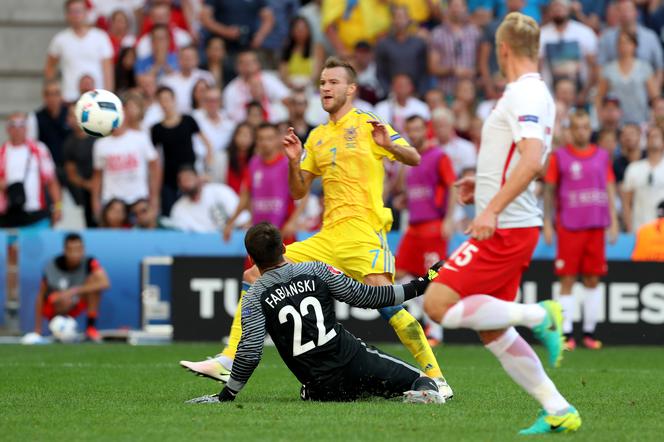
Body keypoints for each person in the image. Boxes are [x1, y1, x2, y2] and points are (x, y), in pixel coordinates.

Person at [181, 57, 453, 400]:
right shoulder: (318, 137)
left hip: (363, 232)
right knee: (255, 274)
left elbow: (413, 157)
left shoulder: (369, 123)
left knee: (386, 304)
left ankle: (436, 377)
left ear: (350, 88)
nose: (325, 87)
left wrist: (388, 145)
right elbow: (298, 192)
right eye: (322, 82)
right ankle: (229, 358)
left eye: (333, 82)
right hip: (327, 236)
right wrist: (295, 162)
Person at [422, 12, 581, 434]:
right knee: (492, 332)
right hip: (511, 220)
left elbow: (532, 161)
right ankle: (557, 408)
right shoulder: (529, 93)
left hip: (506, 226)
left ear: (502, 49)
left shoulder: (525, 94)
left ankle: (540, 315)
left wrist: (492, 208)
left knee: (436, 304)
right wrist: (485, 184)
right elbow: (522, 157)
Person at [185, 222, 445, 404]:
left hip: (320, 385)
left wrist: (226, 396)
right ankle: (420, 394)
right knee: (423, 381)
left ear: (251, 259)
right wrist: (425, 281)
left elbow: (250, 353)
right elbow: (371, 297)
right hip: (355, 361)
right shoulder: (317, 270)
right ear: (285, 248)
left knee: (313, 391)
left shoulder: (254, 296)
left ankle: (333, 392)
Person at [543, 110, 619, 351]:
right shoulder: (560, 157)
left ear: (590, 129)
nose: (581, 131)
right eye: (577, 127)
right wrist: (547, 222)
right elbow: (549, 191)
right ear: (570, 130)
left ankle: (589, 332)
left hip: (596, 225)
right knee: (567, 279)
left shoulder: (601, 156)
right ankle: (567, 335)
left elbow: (609, 188)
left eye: (586, 126)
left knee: (592, 279)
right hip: (569, 225)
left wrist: (614, 221)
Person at [395, 115, 457, 346]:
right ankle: (426, 317)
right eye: (410, 130)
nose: (414, 133)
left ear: (426, 130)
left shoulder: (439, 156)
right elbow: (405, 190)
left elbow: (452, 185)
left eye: (418, 129)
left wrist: (449, 219)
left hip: (432, 227)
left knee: (432, 275)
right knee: (400, 271)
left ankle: (436, 331)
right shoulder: (409, 160)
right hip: (413, 228)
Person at [21, 233, 110, 344]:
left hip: (76, 300)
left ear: (83, 249)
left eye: (78, 249)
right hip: (56, 305)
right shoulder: (51, 265)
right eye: (71, 250)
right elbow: (41, 295)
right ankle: (55, 329)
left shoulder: (90, 262)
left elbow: (105, 283)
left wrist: (73, 291)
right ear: (65, 250)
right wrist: (37, 330)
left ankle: (90, 329)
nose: (75, 254)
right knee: (59, 298)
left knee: (93, 283)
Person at [223, 123, 303, 243]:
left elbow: (304, 194)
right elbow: (245, 195)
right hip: (259, 233)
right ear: (256, 141)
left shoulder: (287, 164)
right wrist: (231, 222)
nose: (265, 143)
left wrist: (293, 222)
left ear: (277, 140)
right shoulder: (253, 164)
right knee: (253, 262)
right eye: (261, 139)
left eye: (269, 138)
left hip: (283, 232)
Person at [91, 97, 161, 221]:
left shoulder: (140, 138)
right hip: (112, 199)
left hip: (139, 197)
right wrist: (95, 201)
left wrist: (154, 197)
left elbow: (155, 167)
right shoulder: (100, 144)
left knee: (146, 219)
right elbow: (97, 175)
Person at [151, 85, 213, 215]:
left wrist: (206, 171)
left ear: (174, 100)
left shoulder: (188, 120)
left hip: (191, 175)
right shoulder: (156, 129)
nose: (165, 103)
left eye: (167, 99)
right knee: (170, 213)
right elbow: (155, 159)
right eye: (161, 100)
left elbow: (207, 144)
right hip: (169, 179)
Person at [0, 112, 62, 229]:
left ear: (27, 127)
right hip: (8, 214)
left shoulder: (39, 150)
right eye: (13, 124)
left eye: (21, 124)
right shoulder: (2, 153)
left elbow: (52, 181)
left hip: (36, 213)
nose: (17, 128)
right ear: (7, 129)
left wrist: (58, 207)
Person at [44, 0, 114, 103]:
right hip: (69, 99)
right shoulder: (60, 39)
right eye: (71, 11)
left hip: (97, 99)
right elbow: (49, 67)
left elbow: (108, 71)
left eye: (78, 11)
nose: (75, 15)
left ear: (86, 12)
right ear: (66, 14)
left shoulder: (101, 37)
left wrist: (108, 96)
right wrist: (56, 92)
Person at [538, 0, 597, 107]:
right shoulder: (542, 34)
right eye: (554, 8)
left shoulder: (584, 32)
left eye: (561, 7)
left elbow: (593, 66)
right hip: (550, 97)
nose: (558, 11)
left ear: (568, 9)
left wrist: (584, 93)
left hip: (580, 95)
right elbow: (537, 67)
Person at [596, 29, 659, 126]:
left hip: (640, 120)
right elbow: (600, 96)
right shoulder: (608, 69)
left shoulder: (644, 67)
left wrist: (654, 118)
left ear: (634, 45)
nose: (624, 46)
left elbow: (654, 97)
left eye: (627, 42)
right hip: (615, 122)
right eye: (620, 43)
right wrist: (601, 116)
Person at [597, 0, 663, 86]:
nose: (625, 13)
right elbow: (600, 67)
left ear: (636, 12)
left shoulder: (650, 36)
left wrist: (654, 94)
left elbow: (660, 67)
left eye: (628, 9)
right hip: (615, 92)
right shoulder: (606, 38)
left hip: (646, 92)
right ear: (617, 13)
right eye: (621, 10)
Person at [170, 165, 249, 233]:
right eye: (183, 180)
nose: (187, 183)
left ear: (198, 177)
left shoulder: (220, 191)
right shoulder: (178, 208)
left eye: (189, 178)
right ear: (179, 185)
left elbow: (243, 221)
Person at [428, 0, 481, 99]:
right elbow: (432, 67)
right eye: (453, 6)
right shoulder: (438, 33)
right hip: (446, 92)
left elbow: (481, 62)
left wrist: (473, 71)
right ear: (447, 9)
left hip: (470, 92)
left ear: (465, 9)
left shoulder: (474, 32)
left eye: (459, 6)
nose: (456, 10)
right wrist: (452, 70)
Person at [375, 5, 429, 97]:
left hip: (415, 94)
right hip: (391, 95)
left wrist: (419, 92)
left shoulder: (419, 43)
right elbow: (380, 72)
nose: (400, 21)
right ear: (392, 20)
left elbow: (424, 71)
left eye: (403, 17)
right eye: (397, 17)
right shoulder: (383, 44)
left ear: (409, 19)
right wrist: (388, 91)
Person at [223, 50, 290, 124]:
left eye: (252, 62)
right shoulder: (231, 89)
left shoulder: (269, 79)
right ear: (237, 67)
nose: (249, 66)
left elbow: (286, 99)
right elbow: (230, 116)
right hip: (244, 128)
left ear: (258, 64)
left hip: (271, 125)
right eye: (245, 63)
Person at [622, 126, 664, 232]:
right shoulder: (633, 168)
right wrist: (629, 226)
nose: (653, 139)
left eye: (657, 136)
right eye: (650, 136)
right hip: (640, 229)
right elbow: (626, 203)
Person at [32, 80, 71, 186]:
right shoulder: (36, 117)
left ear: (61, 96)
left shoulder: (70, 114)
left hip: (70, 170)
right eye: (48, 94)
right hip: (48, 171)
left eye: (55, 94)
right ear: (44, 97)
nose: (52, 98)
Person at [63, 105, 96, 227]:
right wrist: (88, 185)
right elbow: (71, 175)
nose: (75, 118)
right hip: (84, 194)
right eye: (72, 115)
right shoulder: (69, 144)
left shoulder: (99, 136)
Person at [160, 45, 215, 114]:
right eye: (185, 57)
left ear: (197, 59)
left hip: (202, 117)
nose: (188, 60)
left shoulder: (207, 77)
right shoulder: (167, 81)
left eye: (191, 57)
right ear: (178, 60)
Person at [279, 16, 325, 88]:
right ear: (292, 31)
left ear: (308, 31)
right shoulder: (287, 49)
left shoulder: (316, 48)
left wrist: (305, 84)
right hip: (291, 87)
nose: (300, 32)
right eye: (297, 29)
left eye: (303, 29)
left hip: (310, 87)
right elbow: (283, 74)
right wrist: (291, 84)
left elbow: (317, 73)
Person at [431, 108, 477, 177]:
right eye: (437, 126)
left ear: (452, 125)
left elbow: (470, 174)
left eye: (443, 125)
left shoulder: (467, 147)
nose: (440, 129)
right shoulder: (429, 148)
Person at [226, 123, 256, 193]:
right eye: (241, 134)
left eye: (248, 136)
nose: (244, 139)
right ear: (235, 136)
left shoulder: (256, 159)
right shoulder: (223, 157)